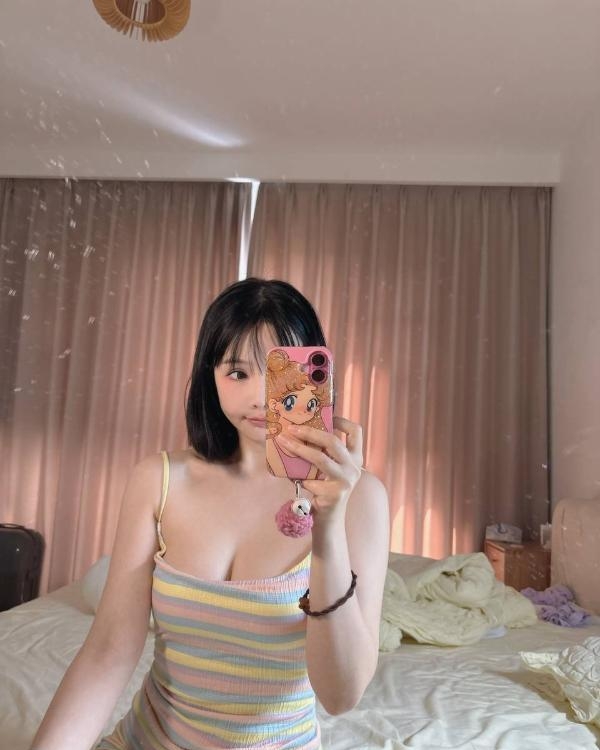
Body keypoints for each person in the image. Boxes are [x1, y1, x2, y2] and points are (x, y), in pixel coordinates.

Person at [31, 277, 390, 750]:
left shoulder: (361, 498)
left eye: (278, 371)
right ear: (210, 377)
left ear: (315, 374)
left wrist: (328, 528)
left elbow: (340, 695)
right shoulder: (159, 480)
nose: (259, 396)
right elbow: (108, 652)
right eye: (237, 373)